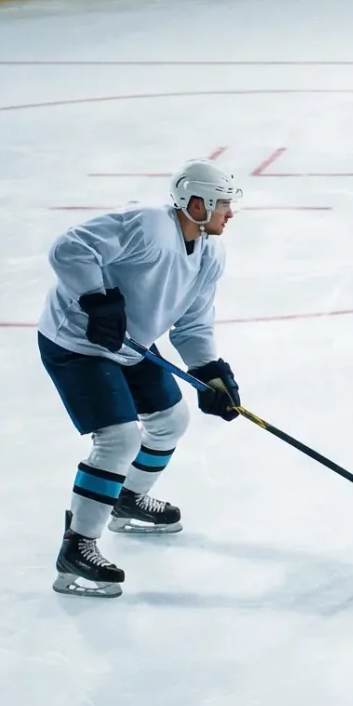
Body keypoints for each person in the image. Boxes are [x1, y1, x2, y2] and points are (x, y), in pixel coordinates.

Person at [37, 161, 245, 597]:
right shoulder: (149, 226)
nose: (231, 212)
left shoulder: (210, 254)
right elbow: (69, 248)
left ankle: (127, 498)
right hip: (77, 344)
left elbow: (192, 324)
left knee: (171, 421)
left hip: (131, 346)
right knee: (119, 440)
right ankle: (77, 546)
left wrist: (209, 373)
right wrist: (97, 300)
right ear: (196, 204)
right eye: (223, 203)